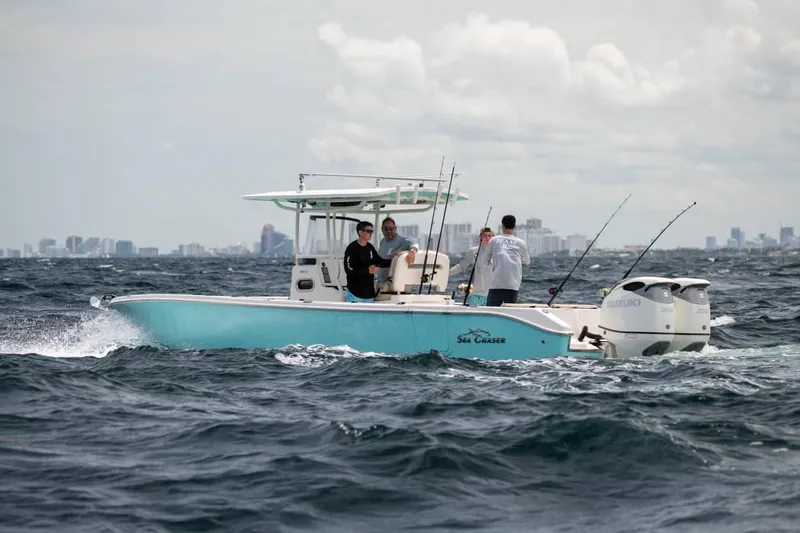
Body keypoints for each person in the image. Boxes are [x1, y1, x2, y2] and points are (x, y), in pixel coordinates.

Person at [481, 214, 531, 306]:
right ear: (514, 226)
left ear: (502, 225)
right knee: (511, 311)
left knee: (491, 312)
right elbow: (527, 261)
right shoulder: (521, 243)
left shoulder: (494, 240)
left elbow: (485, 260)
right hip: (513, 285)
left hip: (496, 284)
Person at [343, 221, 392, 302]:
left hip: (369, 295)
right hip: (355, 294)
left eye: (371, 231)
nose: (371, 233)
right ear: (360, 232)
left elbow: (379, 261)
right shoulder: (351, 248)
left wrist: (394, 261)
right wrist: (367, 271)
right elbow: (348, 269)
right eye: (368, 231)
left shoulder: (370, 247)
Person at [450, 227, 494, 306]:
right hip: (477, 294)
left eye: (489, 236)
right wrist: (446, 273)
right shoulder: (473, 251)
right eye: (485, 235)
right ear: (480, 237)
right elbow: (461, 267)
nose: (487, 238)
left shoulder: (497, 252)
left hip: (493, 295)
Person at [376, 216, 419, 288]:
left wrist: (411, 252)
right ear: (382, 229)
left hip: (393, 284)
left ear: (395, 229)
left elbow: (414, 244)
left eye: (391, 229)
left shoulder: (402, 240)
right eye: (385, 229)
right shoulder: (383, 241)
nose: (389, 231)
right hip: (381, 283)